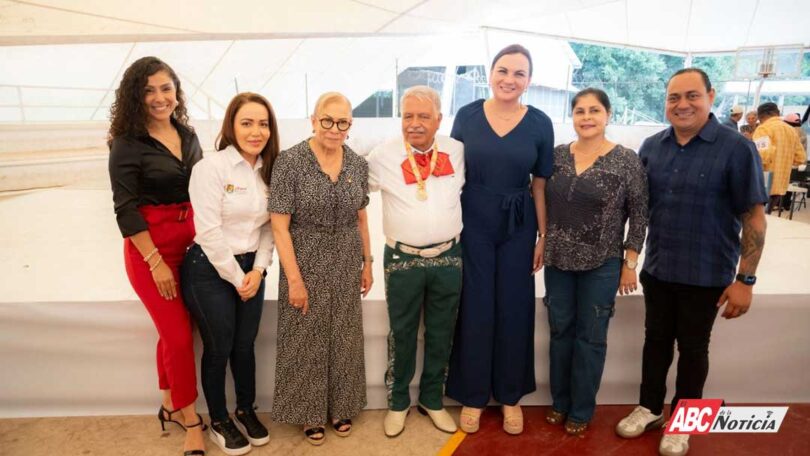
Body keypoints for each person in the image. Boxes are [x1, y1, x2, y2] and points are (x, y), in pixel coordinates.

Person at [615, 68, 768, 456]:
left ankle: (685, 421)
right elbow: (637, 210)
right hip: (660, 268)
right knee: (656, 342)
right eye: (673, 97)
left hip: (708, 272)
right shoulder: (651, 147)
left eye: (692, 96)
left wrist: (745, 280)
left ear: (710, 96)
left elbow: (753, 216)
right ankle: (649, 408)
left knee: (694, 349)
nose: (682, 105)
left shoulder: (736, 148)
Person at [445, 44, 554, 435]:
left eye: (519, 73)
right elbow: (452, 173)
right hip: (473, 218)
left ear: (529, 80)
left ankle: (510, 395)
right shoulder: (468, 115)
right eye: (503, 70)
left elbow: (539, 185)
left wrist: (542, 236)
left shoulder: (540, 123)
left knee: (514, 307)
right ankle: (472, 395)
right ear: (490, 74)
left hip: (518, 223)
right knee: (475, 305)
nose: (510, 79)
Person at [107, 56, 205, 456]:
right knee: (179, 336)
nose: (160, 97)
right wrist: (155, 261)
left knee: (179, 330)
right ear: (136, 96)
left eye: (166, 88)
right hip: (152, 248)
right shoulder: (126, 144)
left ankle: (168, 403)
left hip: (191, 241)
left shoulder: (188, 133)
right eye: (149, 90)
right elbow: (125, 209)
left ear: (176, 92)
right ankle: (192, 420)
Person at [269, 92, 372, 446]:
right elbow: (279, 226)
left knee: (344, 335)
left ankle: (342, 405)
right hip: (305, 259)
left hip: (346, 258)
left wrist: (368, 262)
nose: (334, 128)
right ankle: (309, 413)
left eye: (342, 122)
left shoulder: (357, 164)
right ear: (313, 120)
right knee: (305, 337)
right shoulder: (290, 162)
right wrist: (294, 279)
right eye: (327, 120)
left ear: (349, 126)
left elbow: (361, 217)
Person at [543, 88, 648, 436]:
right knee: (560, 334)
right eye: (580, 111)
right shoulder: (556, 156)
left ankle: (581, 408)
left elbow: (640, 212)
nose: (586, 117)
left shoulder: (626, 159)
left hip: (602, 263)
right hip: (558, 261)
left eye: (595, 110)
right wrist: (541, 240)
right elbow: (539, 198)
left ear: (608, 115)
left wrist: (629, 261)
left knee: (590, 338)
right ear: (572, 116)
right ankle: (559, 401)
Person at [181, 93, 278, 455]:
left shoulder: (269, 170)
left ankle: (245, 409)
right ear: (231, 127)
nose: (257, 131)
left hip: (252, 267)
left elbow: (270, 227)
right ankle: (219, 419)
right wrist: (239, 279)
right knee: (219, 346)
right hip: (209, 268)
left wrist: (258, 269)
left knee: (244, 345)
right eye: (247, 123)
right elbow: (208, 232)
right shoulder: (212, 168)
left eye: (264, 123)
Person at [366, 86, 465, 437]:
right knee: (402, 333)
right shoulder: (381, 156)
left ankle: (432, 399)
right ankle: (397, 403)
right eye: (408, 116)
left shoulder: (457, 151)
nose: (414, 123)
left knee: (442, 332)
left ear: (439, 119)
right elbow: (354, 195)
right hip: (402, 259)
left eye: (423, 116)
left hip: (449, 257)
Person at [752, 102, 806, 213]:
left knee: (751, 220)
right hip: (780, 184)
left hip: (761, 183)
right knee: (766, 217)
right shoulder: (792, 130)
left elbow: (761, 157)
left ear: (761, 116)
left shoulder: (763, 129)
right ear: (777, 113)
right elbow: (801, 158)